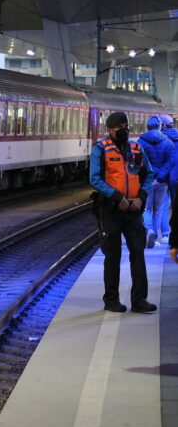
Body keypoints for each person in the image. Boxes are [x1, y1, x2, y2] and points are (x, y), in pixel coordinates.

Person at [89, 111, 157, 313]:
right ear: (110, 130)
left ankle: (140, 300)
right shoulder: (100, 149)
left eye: (126, 126)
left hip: (133, 210)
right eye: (120, 128)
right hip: (110, 209)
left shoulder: (136, 148)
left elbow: (148, 174)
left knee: (138, 252)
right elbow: (95, 179)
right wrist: (117, 198)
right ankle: (111, 300)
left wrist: (141, 197)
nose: (124, 130)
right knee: (113, 255)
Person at [138, 115, 174, 248]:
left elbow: (138, 161)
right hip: (162, 181)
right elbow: (171, 162)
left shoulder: (140, 142)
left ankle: (150, 230)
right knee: (158, 209)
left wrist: (149, 175)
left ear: (147, 127)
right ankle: (155, 236)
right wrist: (160, 176)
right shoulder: (168, 142)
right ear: (160, 127)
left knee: (145, 208)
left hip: (147, 181)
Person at [159, 113, 178, 243]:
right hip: (177, 178)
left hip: (163, 177)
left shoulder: (161, 139)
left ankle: (166, 234)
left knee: (163, 207)